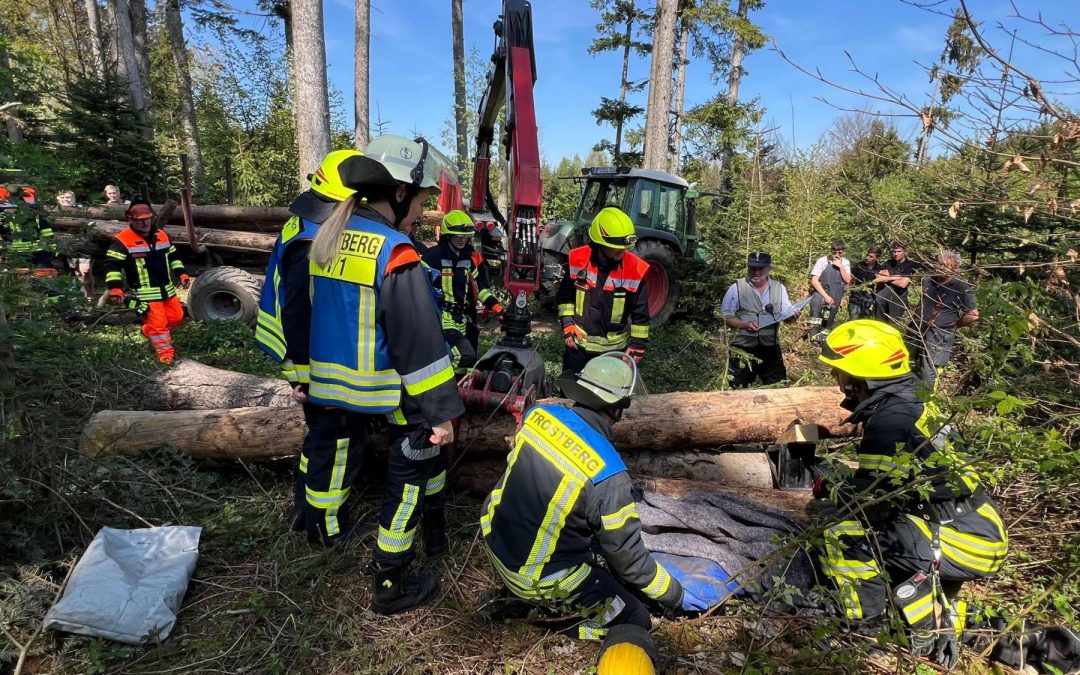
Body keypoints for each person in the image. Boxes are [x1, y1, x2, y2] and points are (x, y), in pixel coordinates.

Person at [307, 134, 463, 615]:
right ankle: (390, 581)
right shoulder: (396, 253)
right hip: (393, 391)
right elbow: (420, 345)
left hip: (335, 391)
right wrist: (440, 412)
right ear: (398, 194)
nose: (421, 214)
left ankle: (432, 535)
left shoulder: (329, 235)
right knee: (410, 477)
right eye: (419, 201)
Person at [481, 352, 706, 668]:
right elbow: (629, 562)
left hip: (493, 540)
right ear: (617, 408)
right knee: (634, 618)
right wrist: (676, 595)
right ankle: (551, 620)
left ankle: (520, 597)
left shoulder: (539, 416)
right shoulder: (609, 473)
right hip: (536, 578)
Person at [815, 320, 1007, 667]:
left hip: (964, 537)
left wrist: (833, 495)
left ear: (862, 377)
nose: (836, 379)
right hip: (974, 523)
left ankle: (865, 633)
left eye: (840, 372)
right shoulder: (910, 397)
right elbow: (893, 483)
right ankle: (931, 615)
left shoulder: (891, 420)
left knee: (842, 534)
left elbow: (873, 505)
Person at [255, 148, 365, 536]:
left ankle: (302, 507)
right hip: (309, 365)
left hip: (304, 361)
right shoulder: (310, 241)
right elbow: (299, 313)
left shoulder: (303, 224)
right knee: (335, 446)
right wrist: (302, 377)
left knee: (319, 439)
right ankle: (326, 529)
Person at [557, 207, 650, 375]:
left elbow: (640, 314)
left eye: (625, 247)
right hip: (578, 347)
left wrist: (638, 345)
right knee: (569, 394)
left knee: (605, 396)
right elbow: (565, 298)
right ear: (600, 243)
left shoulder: (635, 269)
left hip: (613, 353)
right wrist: (568, 324)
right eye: (616, 246)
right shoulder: (578, 259)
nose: (623, 251)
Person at [104, 201, 190, 363]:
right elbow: (112, 267)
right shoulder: (122, 241)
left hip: (167, 290)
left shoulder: (161, 235)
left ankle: (147, 330)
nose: (144, 222)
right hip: (144, 293)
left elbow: (173, 257)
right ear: (131, 219)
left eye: (147, 218)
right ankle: (165, 357)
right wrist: (115, 289)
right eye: (140, 219)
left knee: (176, 317)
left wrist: (182, 274)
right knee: (159, 325)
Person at [422, 209, 503, 374]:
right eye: (458, 235)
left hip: (464, 318)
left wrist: (496, 307)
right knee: (463, 355)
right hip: (442, 317)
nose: (462, 239)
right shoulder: (432, 257)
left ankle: (460, 391)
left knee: (470, 360)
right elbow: (420, 288)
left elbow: (481, 288)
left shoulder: (471, 258)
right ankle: (442, 383)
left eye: (465, 236)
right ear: (447, 235)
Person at [721, 251, 801, 387]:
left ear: (769, 269)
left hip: (770, 349)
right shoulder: (736, 288)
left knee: (778, 388)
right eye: (753, 268)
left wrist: (793, 316)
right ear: (748, 267)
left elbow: (786, 316)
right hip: (742, 349)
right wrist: (744, 324)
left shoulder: (779, 288)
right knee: (737, 389)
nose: (756, 272)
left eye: (760, 268)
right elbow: (726, 317)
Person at [911, 250, 979, 389]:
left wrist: (952, 325)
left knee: (928, 367)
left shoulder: (961, 287)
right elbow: (922, 301)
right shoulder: (928, 280)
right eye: (938, 263)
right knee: (910, 360)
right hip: (917, 327)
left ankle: (925, 399)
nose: (939, 267)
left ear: (954, 268)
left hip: (939, 333)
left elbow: (973, 315)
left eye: (944, 265)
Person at [0, 186, 58, 277]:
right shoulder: (2, 220)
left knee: (44, 274)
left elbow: (48, 236)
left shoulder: (35, 217)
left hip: (37, 254)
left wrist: (49, 253)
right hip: (13, 255)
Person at [808, 239, 852, 344]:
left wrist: (840, 267)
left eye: (839, 253)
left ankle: (824, 339)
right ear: (831, 251)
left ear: (843, 252)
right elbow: (814, 280)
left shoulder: (845, 263)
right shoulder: (823, 260)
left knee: (830, 315)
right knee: (816, 309)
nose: (837, 255)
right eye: (834, 252)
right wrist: (825, 296)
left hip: (837, 292)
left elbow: (847, 280)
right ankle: (813, 337)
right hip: (822, 290)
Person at [875, 242, 916, 325]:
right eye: (894, 252)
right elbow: (878, 277)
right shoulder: (888, 263)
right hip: (882, 300)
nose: (896, 254)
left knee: (892, 325)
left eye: (899, 251)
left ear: (905, 251)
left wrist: (888, 278)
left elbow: (903, 284)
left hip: (898, 299)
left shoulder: (909, 265)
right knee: (879, 324)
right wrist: (897, 277)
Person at [848, 246, 883, 320]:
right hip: (856, 297)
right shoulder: (858, 266)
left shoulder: (880, 269)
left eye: (871, 256)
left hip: (869, 299)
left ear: (877, 258)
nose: (867, 257)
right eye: (867, 255)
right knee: (853, 319)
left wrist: (874, 302)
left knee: (865, 320)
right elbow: (849, 280)